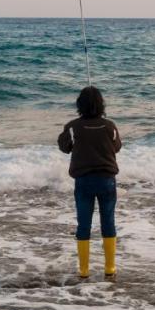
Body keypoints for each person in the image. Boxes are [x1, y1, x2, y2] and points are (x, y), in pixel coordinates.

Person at [57, 85, 121, 279]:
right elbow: (117, 147)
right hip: (107, 181)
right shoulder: (110, 126)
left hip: (83, 182)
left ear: (80, 105)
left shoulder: (73, 127)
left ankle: (84, 270)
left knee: (83, 224)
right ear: (101, 104)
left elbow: (64, 147)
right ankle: (109, 267)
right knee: (108, 222)